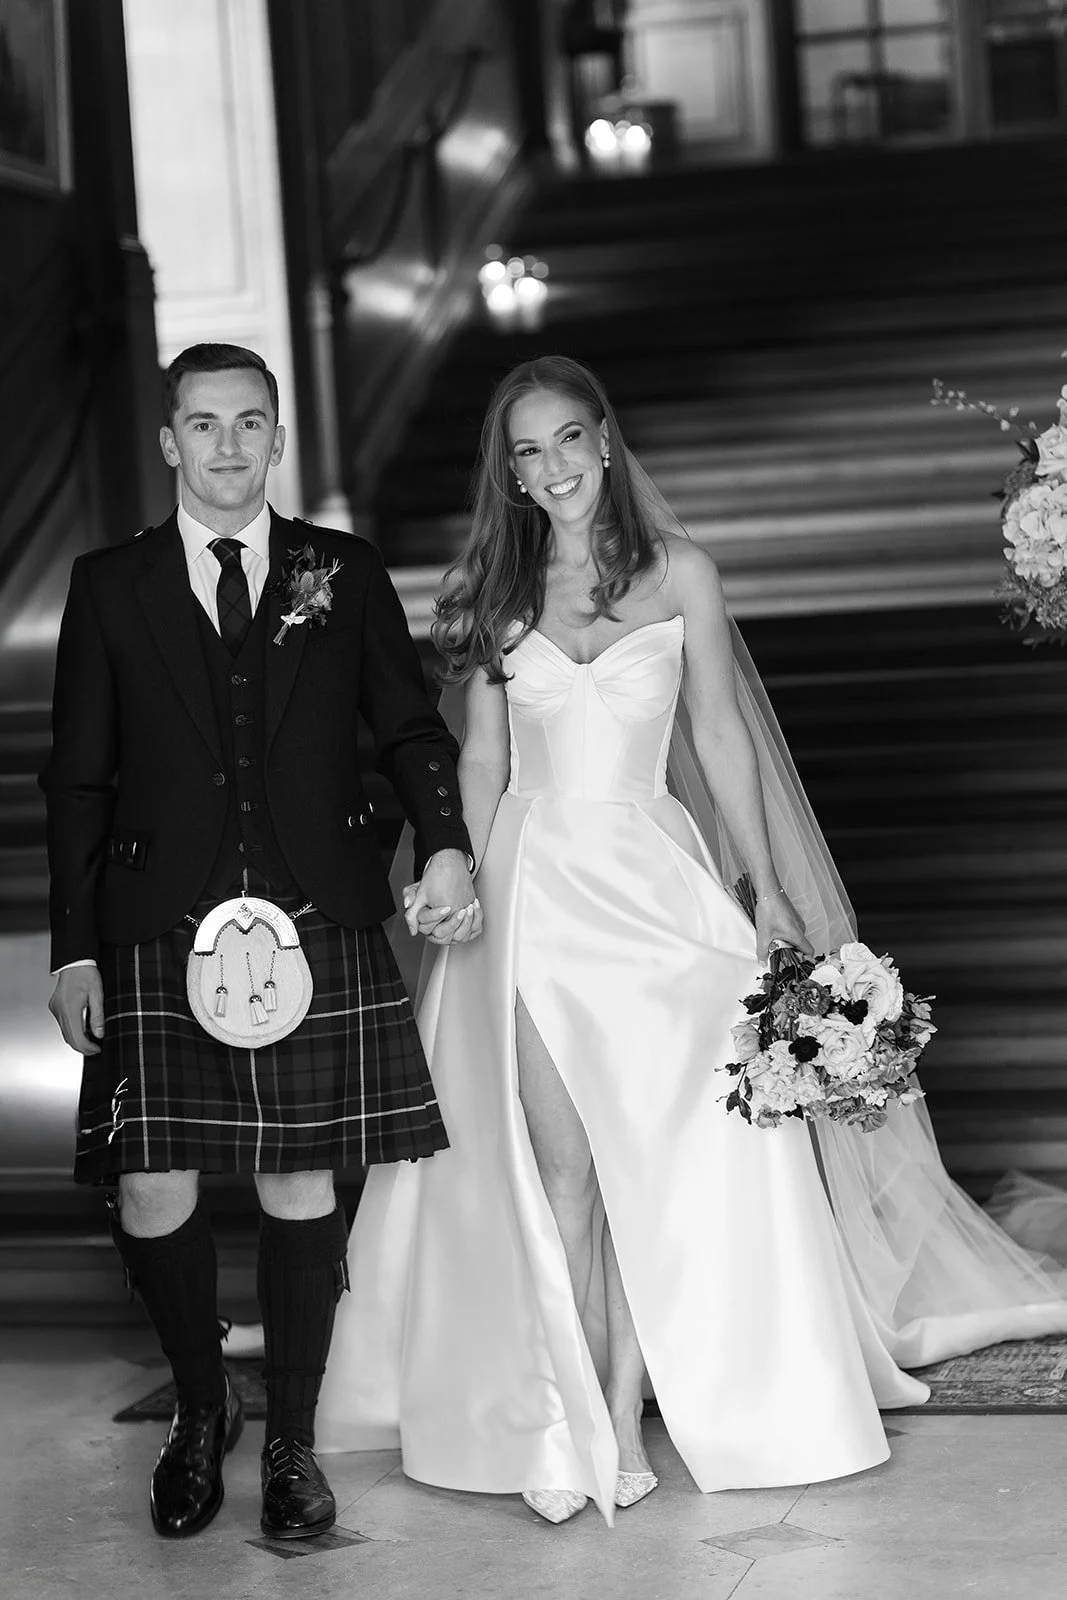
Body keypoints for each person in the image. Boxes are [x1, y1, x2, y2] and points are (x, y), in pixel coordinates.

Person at [315, 355, 1067, 1525]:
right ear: (508, 473)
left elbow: (719, 736)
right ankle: (578, 1415)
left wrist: (764, 890)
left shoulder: (681, 577)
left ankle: (622, 1416)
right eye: (526, 452)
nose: (551, 468)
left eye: (567, 440)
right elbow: (481, 755)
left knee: (651, 1167)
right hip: (532, 894)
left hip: (657, 899)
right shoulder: (493, 592)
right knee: (561, 1169)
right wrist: (449, 862)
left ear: (603, 440)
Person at [39, 343, 479, 1542]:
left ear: (277, 438)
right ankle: (200, 1410)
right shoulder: (108, 584)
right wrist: (73, 946)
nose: (227, 445)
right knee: (149, 1177)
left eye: (249, 422)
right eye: (203, 423)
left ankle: (291, 1440)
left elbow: (408, 727)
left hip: (313, 907)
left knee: (298, 1176)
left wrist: (444, 843)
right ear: (169, 440)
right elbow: (76, 780)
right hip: (155, 921)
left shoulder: (341, 569)